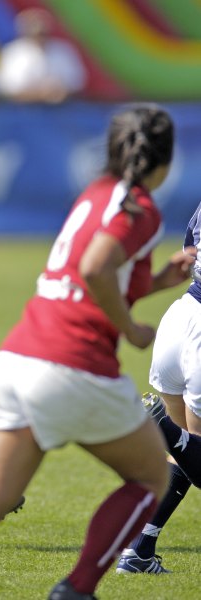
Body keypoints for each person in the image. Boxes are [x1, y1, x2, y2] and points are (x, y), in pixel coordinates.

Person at [0, 104, 197, 600]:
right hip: (76, 366)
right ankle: (77, 589)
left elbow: (86, 277)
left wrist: (155, 282)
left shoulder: (93, 195)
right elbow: (94, 270)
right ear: (165, 161)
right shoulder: (140, 208)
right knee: (150, 475)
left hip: (18, 358)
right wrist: (131, 329)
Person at [116, 201, 201, 575]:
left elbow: (189, 251)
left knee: (185, 453)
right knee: (195, 455)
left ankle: (139, 551)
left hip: (181, 317)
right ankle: (161, 425)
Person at [0, 7, 86, 103]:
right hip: (23, 108)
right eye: (35, 32)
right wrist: (39, 94)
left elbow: (77, 82)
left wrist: (56, 91)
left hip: (63, 106)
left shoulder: (64, 50)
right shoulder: (13, 52)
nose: (39, 36)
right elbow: (7, 87)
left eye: (42, 32)